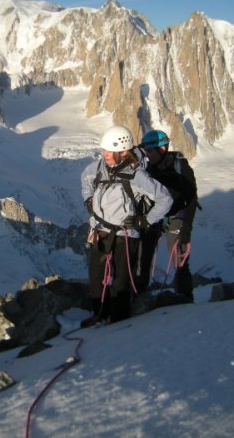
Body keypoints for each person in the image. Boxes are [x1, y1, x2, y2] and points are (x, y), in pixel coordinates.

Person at [80, 125, 173, 326]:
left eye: (109, 151)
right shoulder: (97, 168)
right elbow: (85, 179)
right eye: (104, 150)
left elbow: (165, 199)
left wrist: (145, 220)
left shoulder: (137, 175)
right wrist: (88, 200)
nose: (104, 155)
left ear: (123, 152)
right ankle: (100, 314)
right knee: (96, 276)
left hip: (125, 233)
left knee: (121, 279)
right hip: (101, 231)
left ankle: (119, 320)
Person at [139, 130, 198, 302]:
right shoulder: (147, 167)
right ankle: (140, 291)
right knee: (144, 253)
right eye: (146, 151)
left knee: (179, 259)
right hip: (155, 216)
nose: (147, 155)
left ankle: (185, 296)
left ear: (162, 149)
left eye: (150, 151)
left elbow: (191, 198)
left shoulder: (180, 166)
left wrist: (186, 228)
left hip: (177, 216)